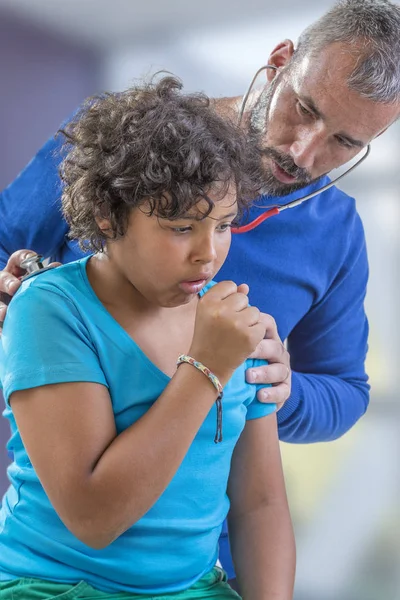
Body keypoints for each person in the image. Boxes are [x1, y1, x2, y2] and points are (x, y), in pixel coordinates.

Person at [0, 0, 399, 584]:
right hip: (71, 554)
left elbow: (343, 395)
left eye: (344, 142)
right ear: (280, 61)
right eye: (303, 109)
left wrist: (279, 388)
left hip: (207, 563)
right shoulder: (118, 148)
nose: (304, 152)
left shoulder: (336, 234)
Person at [0, 77, 296, 599]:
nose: (208, 254)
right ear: (106, 216)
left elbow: (261, 504)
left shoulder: (236, 328)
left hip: (196, 587)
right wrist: (207, 369)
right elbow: (93, 517)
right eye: (181, 228)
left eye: (224, 225)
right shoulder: (50, 309)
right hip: (55, 586)